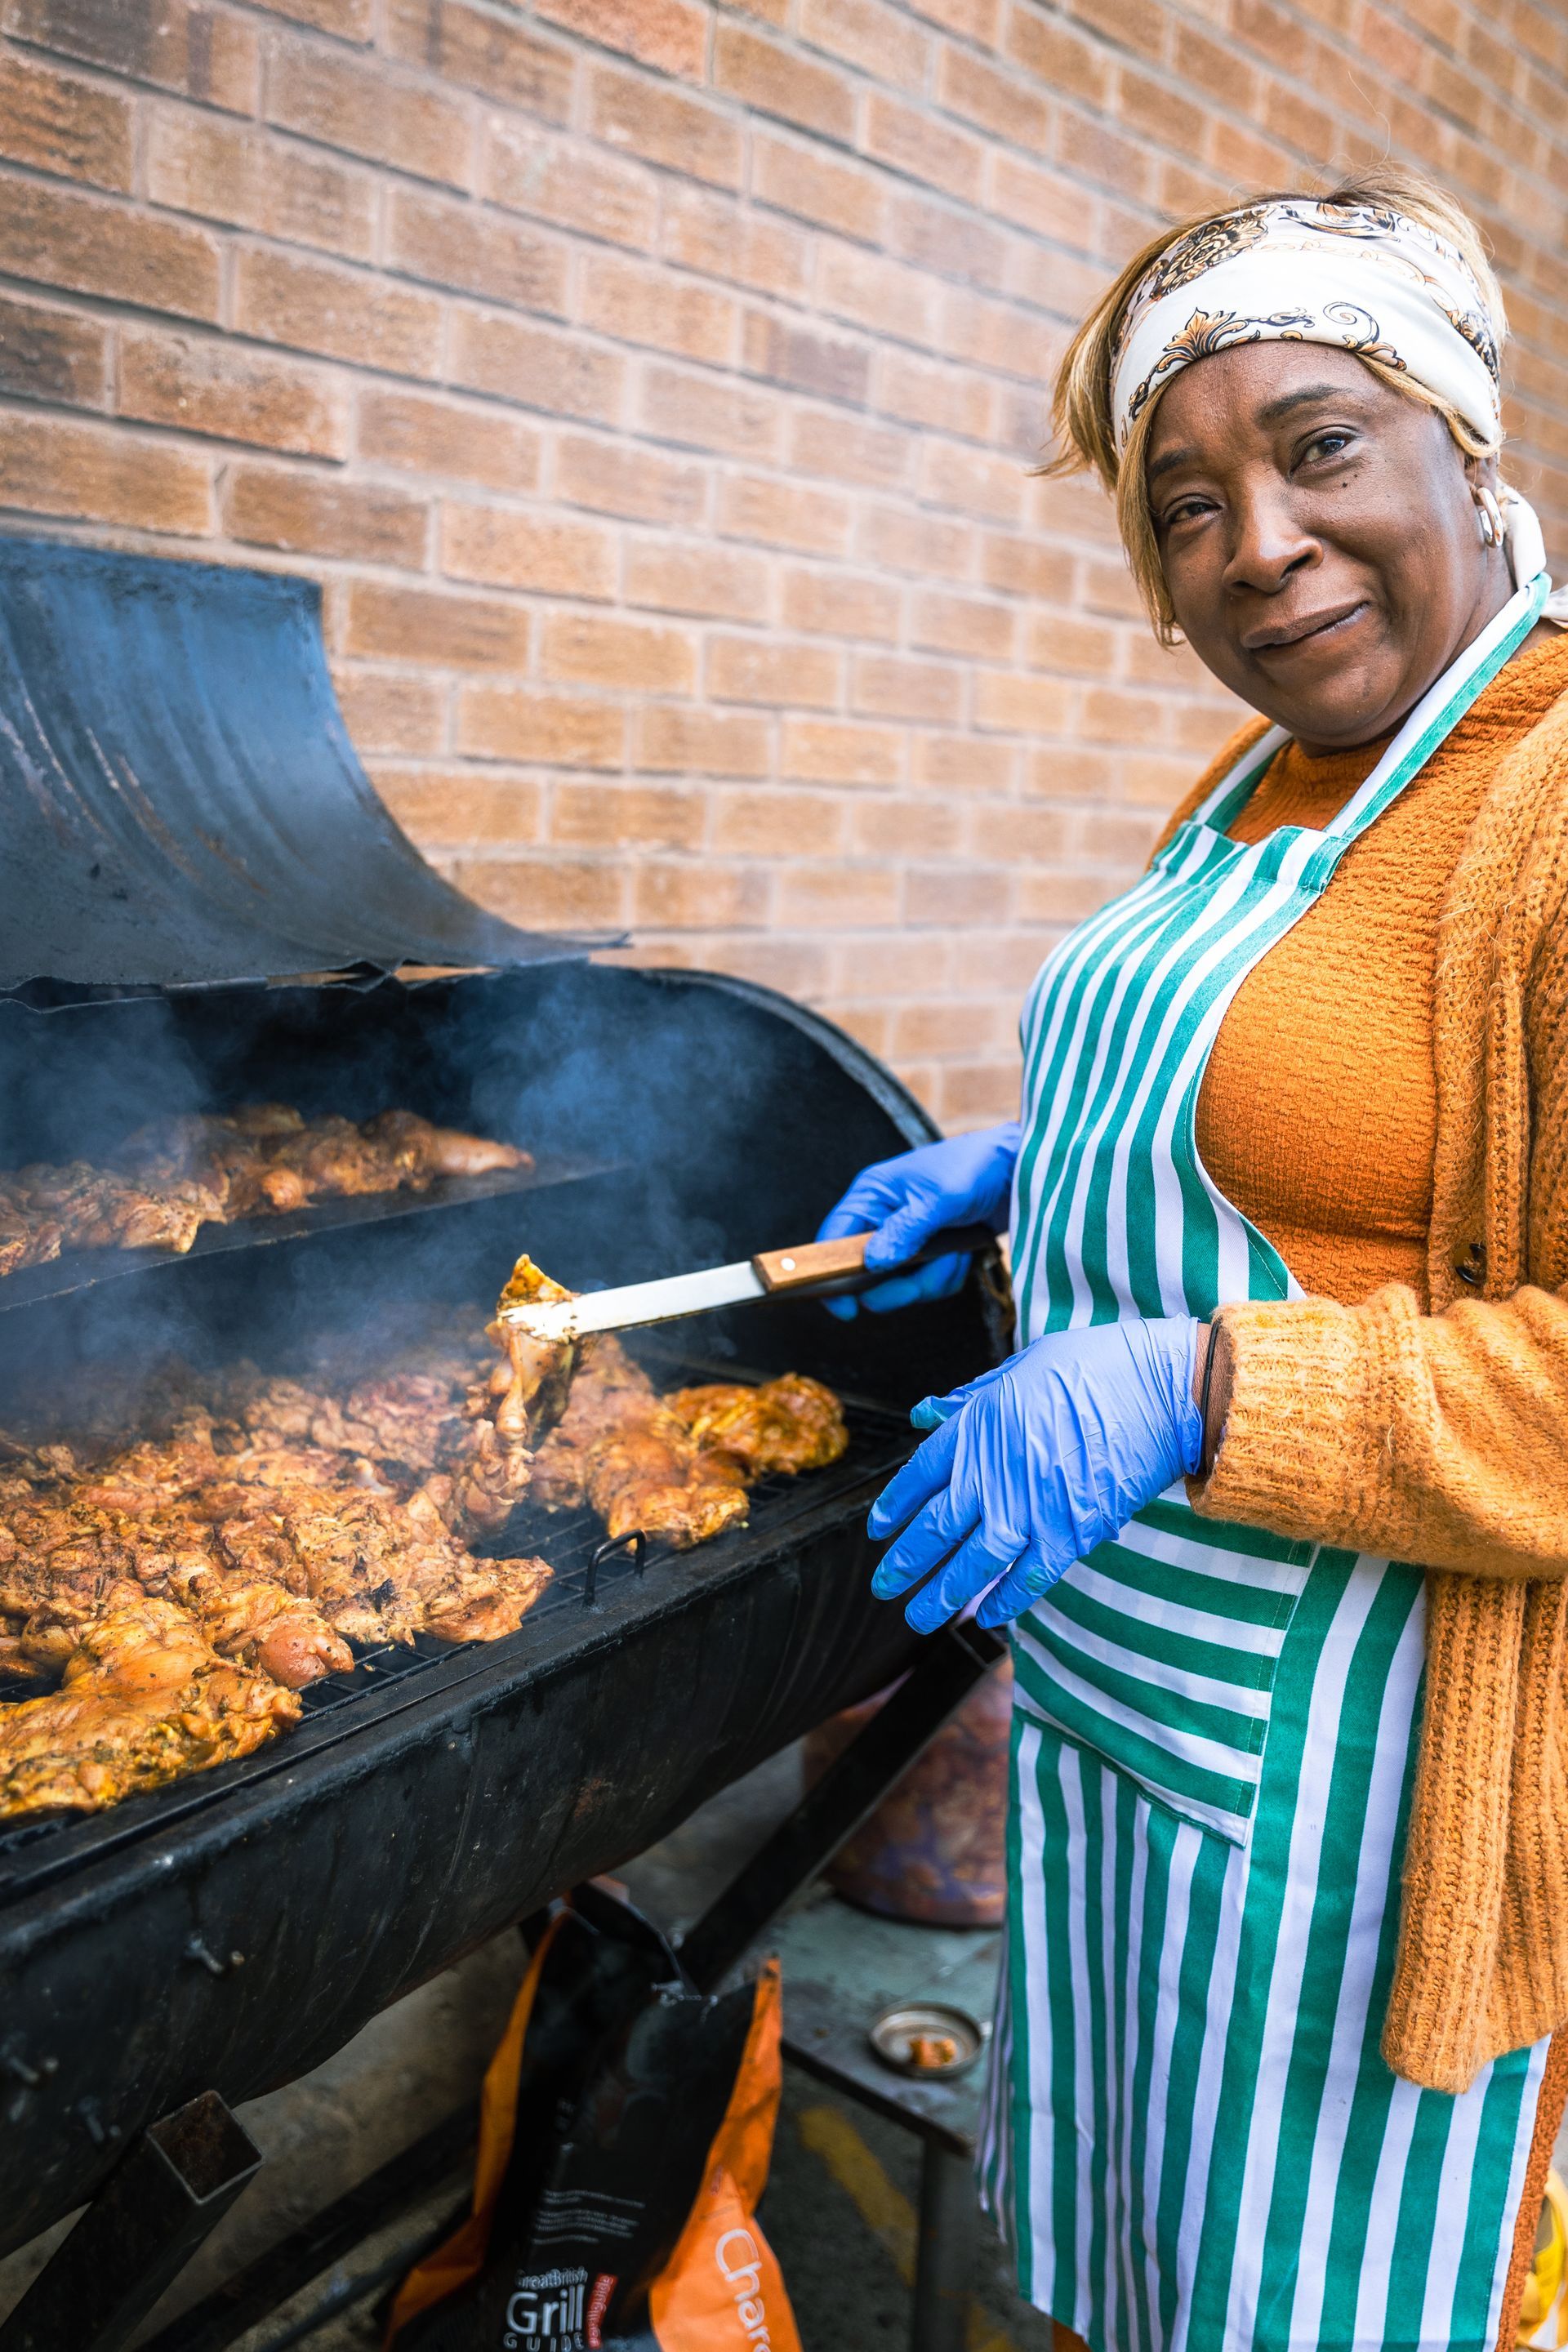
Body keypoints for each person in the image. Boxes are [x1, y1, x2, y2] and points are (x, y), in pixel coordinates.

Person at [819, 170, 1568, 2352]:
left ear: (1462, 441)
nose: (1256, 546)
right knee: (1126, 2276)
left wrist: (1200, 1387)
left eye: (1319, 446)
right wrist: (1036, 1163)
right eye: (1185, 503)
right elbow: (1335, 1127)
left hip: (1362, 1791)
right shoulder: (1267, 782)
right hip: (1120, 1717)